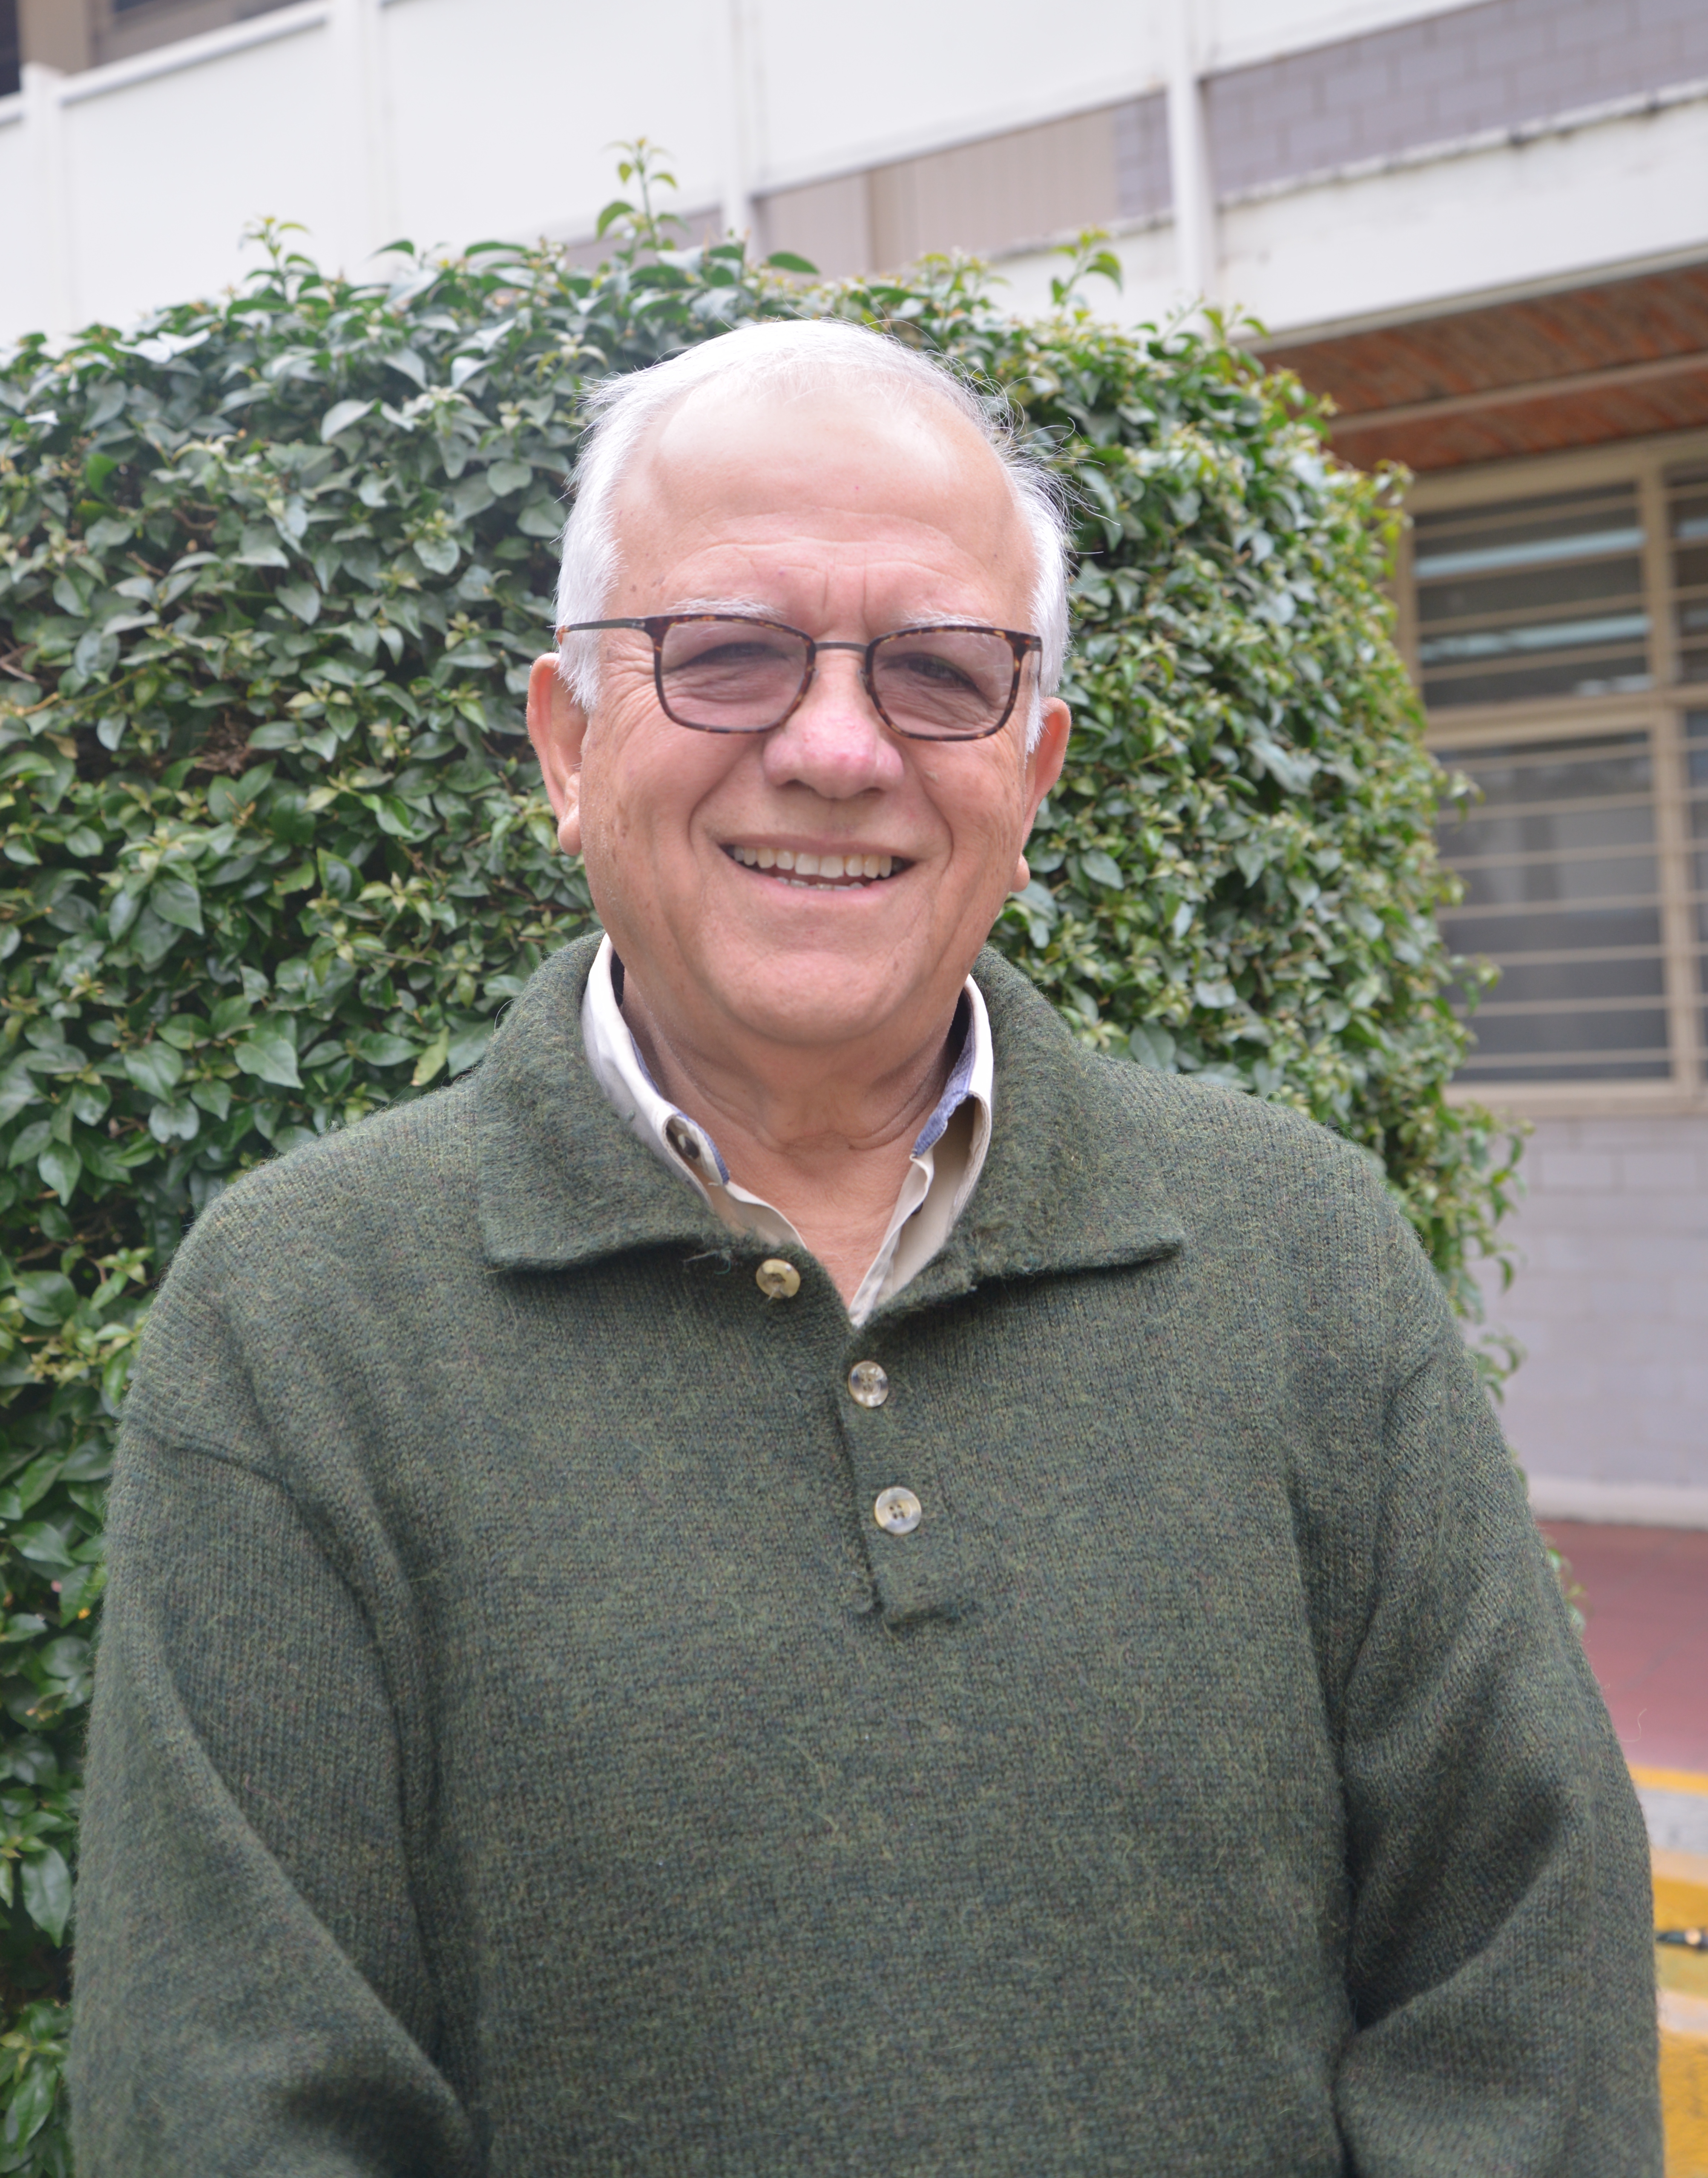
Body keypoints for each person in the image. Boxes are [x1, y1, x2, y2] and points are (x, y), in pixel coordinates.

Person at [72, 319, 1659, 2175]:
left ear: (1033, 771)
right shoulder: (297, 1317)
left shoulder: (1299, 1251)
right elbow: (234, 2102)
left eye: (939, 671)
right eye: (727, 652)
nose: (836, 748)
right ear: (566, 743)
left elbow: (1523, 1975)